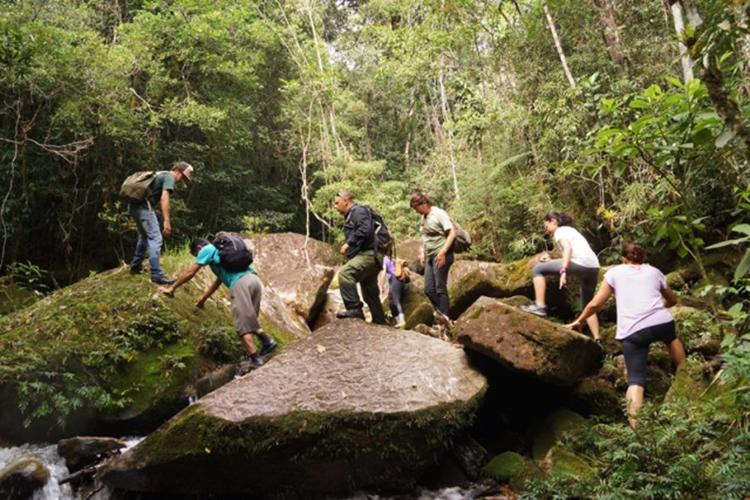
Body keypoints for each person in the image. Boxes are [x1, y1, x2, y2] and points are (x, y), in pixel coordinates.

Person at [566, 243, 686, 429]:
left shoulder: (614, 273)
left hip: (633, 331)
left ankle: (636, 429)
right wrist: (656, 306)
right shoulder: (655, 272)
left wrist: (580, 321)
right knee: (671, 337)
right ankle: (685, 373)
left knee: (636, 381)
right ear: (643, 258)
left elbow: (596, 304)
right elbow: (673, 300)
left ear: (623, 259)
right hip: (661, 324)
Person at [159, 237, 277, 368]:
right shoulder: (222, 253)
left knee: (241, 325)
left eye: (196, 255)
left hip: (240, 283)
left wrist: (172, 288)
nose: (199, 258)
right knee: (249, 319)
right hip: (254, 280)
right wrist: (203, 299)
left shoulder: (207, 250)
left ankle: (256, 360)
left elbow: (190, 272)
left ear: (198, 248)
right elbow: (218, 281)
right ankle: (268, 342)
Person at [521, 212, 601, 341]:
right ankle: (597, 339)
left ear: (553, 221)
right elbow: (572, 254)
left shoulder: (559, 231)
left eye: (546, 226)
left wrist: (563, 270)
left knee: (538, 270)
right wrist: (552, 261)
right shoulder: (571, 231)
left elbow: (568, 249)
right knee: (588, 305)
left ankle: (540, 306)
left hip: (580, 264)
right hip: (594, 267)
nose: (546, 230)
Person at [129, 162, 194, 285]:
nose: (182, 181)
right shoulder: (169, 177)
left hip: (134, 207)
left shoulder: (160, 173)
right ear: (177, 171)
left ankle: (135, 266)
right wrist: (167, 221)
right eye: (183, 177)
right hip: (144, 208)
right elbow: (164, 197)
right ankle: (156, 274)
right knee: (156, 238)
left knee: (144, 236)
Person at [333, 191, 387, 324]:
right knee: (370, 293)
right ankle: (380, 321)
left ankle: (354, 309)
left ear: (346, 201)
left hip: (370, 254)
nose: (335, 206)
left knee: (345, 274)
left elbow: (365, 229)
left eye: (337, 203)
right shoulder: (354, 214)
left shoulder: (358, 211)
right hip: (374, 256)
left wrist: (348, 243)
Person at [410, 191, 456, 330]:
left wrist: (443, 252)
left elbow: (452, 233)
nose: (416, 211)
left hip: (441, 254)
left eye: (417, 208)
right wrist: (423, 253)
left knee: (440, 288)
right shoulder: (424, 217)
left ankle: (445, 320)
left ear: (424, 203)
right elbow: (426, 237)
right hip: (430, 256)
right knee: (429, 289)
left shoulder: (439, 213)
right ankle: (443, 316)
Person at [380, 253, 410, 328]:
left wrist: (382, 285)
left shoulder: (385, 259)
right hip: (397, 281)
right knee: (391, 303)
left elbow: (384, 272)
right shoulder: (391, 258)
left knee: (396, 301)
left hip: (396, 279)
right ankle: (398, 321)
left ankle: (402, 321)